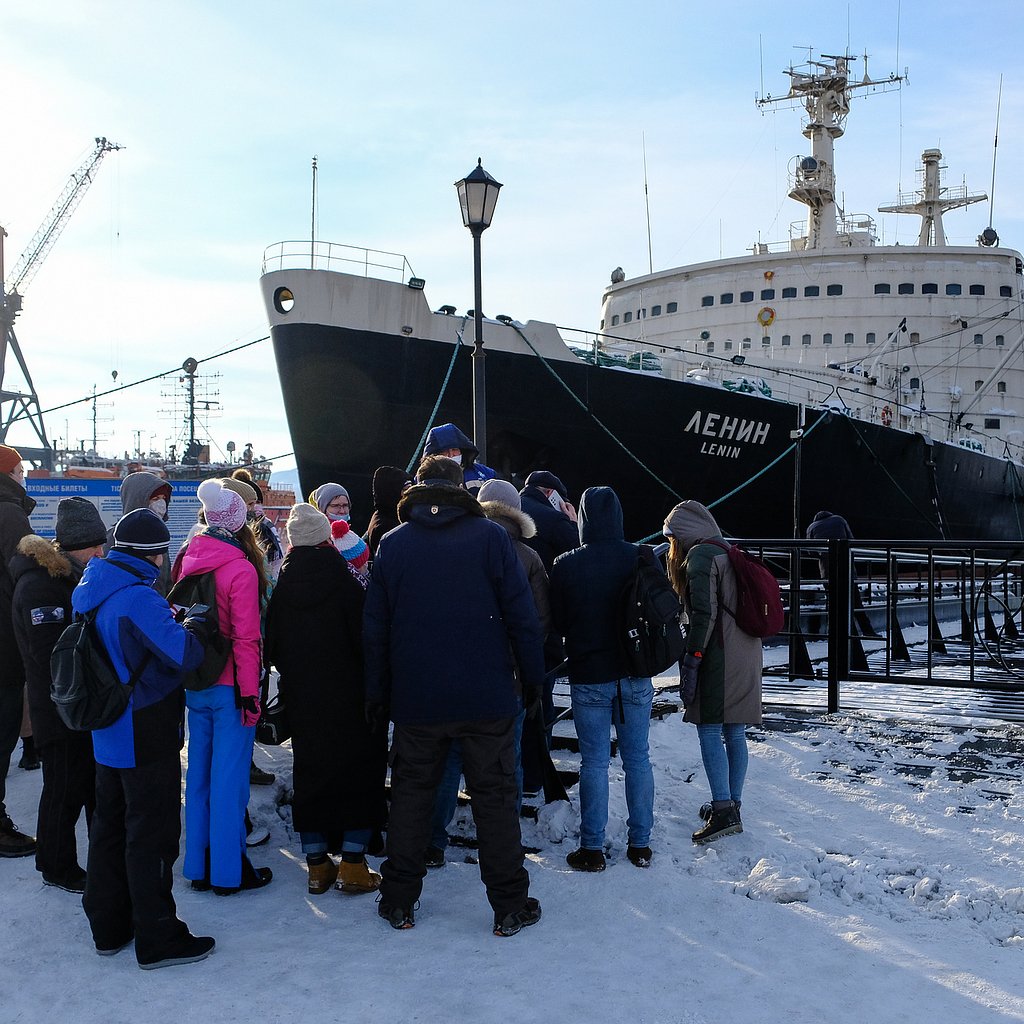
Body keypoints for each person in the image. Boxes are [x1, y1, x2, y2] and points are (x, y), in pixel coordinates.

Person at [363, 455, 544, 936]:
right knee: (495, 798)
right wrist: (531, 679)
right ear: (461, 488)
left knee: (411, 796)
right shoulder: (491, 538)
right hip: (487, 694)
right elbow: (522, 616)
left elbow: (375, 628)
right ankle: (509, 904)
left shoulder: (394, 544)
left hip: (418, 697)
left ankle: (398, 899)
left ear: (418, 488)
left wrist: (378, 692)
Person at [74, 507, 215, 969]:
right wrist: (191, 625)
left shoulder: (93, 586)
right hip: (144, 729)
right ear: (154, 556)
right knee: (151, 835)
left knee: (110, 830)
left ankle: (109, 927)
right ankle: (158, 936)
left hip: (107, 730)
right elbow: (184, 653)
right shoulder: (139, 598)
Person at [426, 477, 551, 866]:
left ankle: (433, 840)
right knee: (505, 761)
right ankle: (502, 840)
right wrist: (527, 673)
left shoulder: (456, 547)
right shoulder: (529, 558)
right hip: (506, 678)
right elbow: (538, 622)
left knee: (448, 758)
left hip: (456, 672)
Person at [265, 503, 386, 895]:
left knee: (310, 773)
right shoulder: (344, 579)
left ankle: (316, 865)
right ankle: (352, 863)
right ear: (323, 537)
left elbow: (274, 646)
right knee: (359, 773)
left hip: (304, 697)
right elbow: (365, 639)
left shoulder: (283, 584)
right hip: (349, 696)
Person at [549, 486, 655, 871]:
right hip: (634, 672)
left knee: (594, 762)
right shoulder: (641, 556)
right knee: (638, 758)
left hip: (589, 673)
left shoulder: (565, 564)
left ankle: (592, 848)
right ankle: (640, 844)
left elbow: (558, 622)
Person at [176, 479, 271, 895]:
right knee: (229, 783)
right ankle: (230, 873)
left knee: (197, 778)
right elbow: (247, 640)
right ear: (238, 523)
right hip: (232, 686)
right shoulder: (241, 569)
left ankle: (197, 866)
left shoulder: (188, 558)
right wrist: (251, 696)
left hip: (197, 682)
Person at [10, 498, 107, 891]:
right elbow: (52, 656)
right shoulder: (40, 586)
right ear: (73, 544)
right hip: (58, 709)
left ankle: (88, 862)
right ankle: (56, 865)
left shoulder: (68, 578)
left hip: (76, 707)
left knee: (82, 786)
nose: (101, 552)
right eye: (94, 545)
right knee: (63, 791)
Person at [662, 500, 763, 844]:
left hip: (720, 654)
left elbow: (703, 615)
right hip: (746, 649)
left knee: (708, 728)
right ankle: (732, 803)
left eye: (672, 537)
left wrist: (692, 658)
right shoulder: (726, 549)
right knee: (735, 732)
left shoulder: (701, 558)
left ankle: (723, 811)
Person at [0, 443, 37, 857]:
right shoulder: (9, 512)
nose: (25, 474)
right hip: (4, 643)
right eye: (21, 468)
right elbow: (23, 573)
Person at [104, 471, 174, 595]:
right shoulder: (114, 538)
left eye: (164, 499)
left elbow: (166, 583)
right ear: (137, 500)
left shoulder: (159, 537)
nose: (162, 504)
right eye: (155, 499)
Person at [519, 470, 579, 572]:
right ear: (551, 493)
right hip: (542, 581)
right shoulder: (556, 519)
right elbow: (576, 553)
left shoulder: (512, 505)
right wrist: (573, 523)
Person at [310, 483, 370, 574]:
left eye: (345, 505)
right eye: (335, 506)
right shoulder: (316, 540)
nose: (342, 511)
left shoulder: (349, 535)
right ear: (323, 509)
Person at [422, 422, 495, 493]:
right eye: (444, 451)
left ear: (462, 450)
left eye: (454, 449)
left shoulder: (485, 473)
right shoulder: (425, 475)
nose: (450, 455)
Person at [363, 465, 414, 559]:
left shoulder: (386, 516)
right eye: (405, 489)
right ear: (391, 493)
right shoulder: (384, 528)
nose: (410, 494)